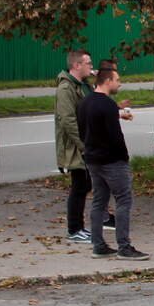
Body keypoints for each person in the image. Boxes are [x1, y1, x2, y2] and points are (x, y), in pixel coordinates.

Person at [76, 65, 149, 261]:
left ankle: (98, 244)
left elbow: (82, 131)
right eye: (117, 80)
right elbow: (115, 136)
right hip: (112, 160)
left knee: (99, 201)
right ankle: (124, 246)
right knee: (123, 200)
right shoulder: (107, 104)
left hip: (92, 158)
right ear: (107, 81)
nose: (119, 83)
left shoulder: (84, 103)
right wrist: (123, 157)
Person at [55, 48, 95, 243]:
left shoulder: (83, 85)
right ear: (76, 65)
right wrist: (83, 145)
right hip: (75, 147)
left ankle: (79, 227)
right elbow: (68, 120)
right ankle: (74, 228)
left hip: (84, 143)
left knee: (85, 184)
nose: (91, 66)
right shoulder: (66, 88)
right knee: (79, 185)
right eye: (88, 63)